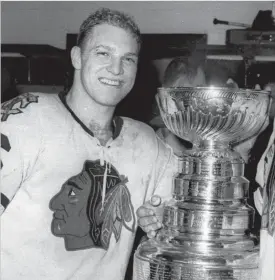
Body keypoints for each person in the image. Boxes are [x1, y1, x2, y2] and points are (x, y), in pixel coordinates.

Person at [1, 8, 178, 280]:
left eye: (128, 59)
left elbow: (177, 216)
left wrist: (161, 217)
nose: (116, 69)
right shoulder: (25, 119)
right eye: (103, 53)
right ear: (77, 57)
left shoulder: (148, 143)